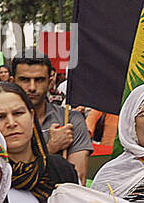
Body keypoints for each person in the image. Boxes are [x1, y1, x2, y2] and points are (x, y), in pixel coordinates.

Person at [13, 53, 91, 182]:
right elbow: (5, 180)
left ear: (50, 82)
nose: (32, 87)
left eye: (39, 80)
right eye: (25, 80)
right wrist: (50, 148)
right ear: (12, 81)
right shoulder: (4, 122)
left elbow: (77, 181)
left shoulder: (71, 120)